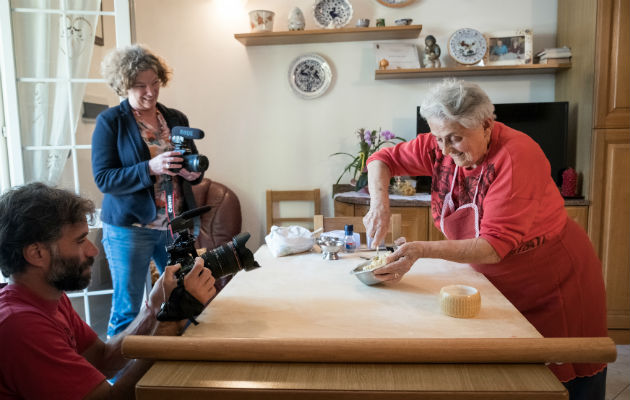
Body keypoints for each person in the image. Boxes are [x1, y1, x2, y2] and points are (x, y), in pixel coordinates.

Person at [363, 79, 608, 400]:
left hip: (552, 282)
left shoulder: (517, 156)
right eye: (438, 138)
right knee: (510, 379)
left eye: (456, 139)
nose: (446, 150)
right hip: (494, 280)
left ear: (487, 125)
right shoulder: (441, 146)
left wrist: (420, 249)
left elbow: (493, 246)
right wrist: (379, 203)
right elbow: (383, 158)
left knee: (562, 381)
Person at [0, 182, 216, 399]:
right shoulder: (20, 326)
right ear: (36, 253)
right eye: (80, 240)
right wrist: (174, 317)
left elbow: (103, 359)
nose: (93, 250)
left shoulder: (48, 297)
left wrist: (154, 307)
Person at [93, 44, 205, 337]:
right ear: (123, 85)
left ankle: (174, 367)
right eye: (140, 86)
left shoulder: (176, 118)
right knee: (127, 308)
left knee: (183, 297)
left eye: (154, 83)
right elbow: (104, 178)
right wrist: (150, 168)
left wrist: (192, 173)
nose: (150, 92)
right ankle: (118, 379)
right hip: (131, 228)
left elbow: (190, 166)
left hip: (175, 224)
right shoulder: (111, 122)